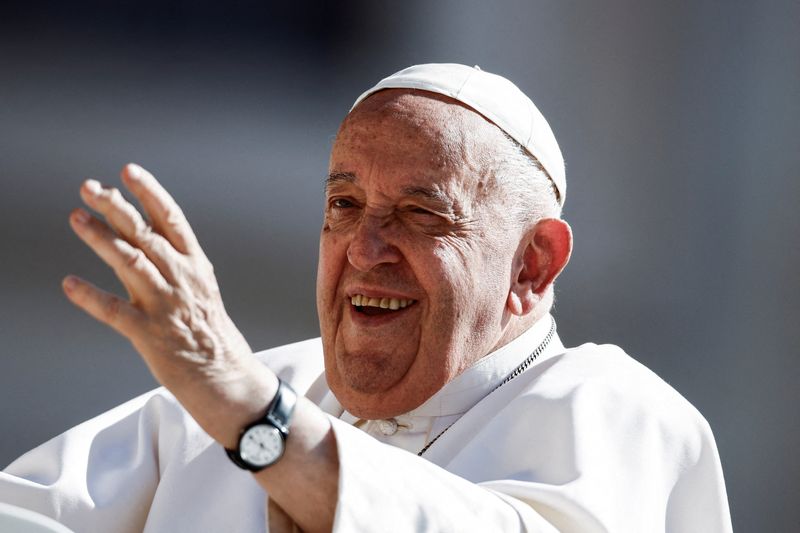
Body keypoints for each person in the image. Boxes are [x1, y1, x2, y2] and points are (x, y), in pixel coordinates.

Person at [0, 64, 733, 532]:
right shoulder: (223, 397)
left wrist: (261, 423)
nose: (365, 248)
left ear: (532, 265)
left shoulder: (619, 411)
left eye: (421, 214)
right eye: (344, 205)